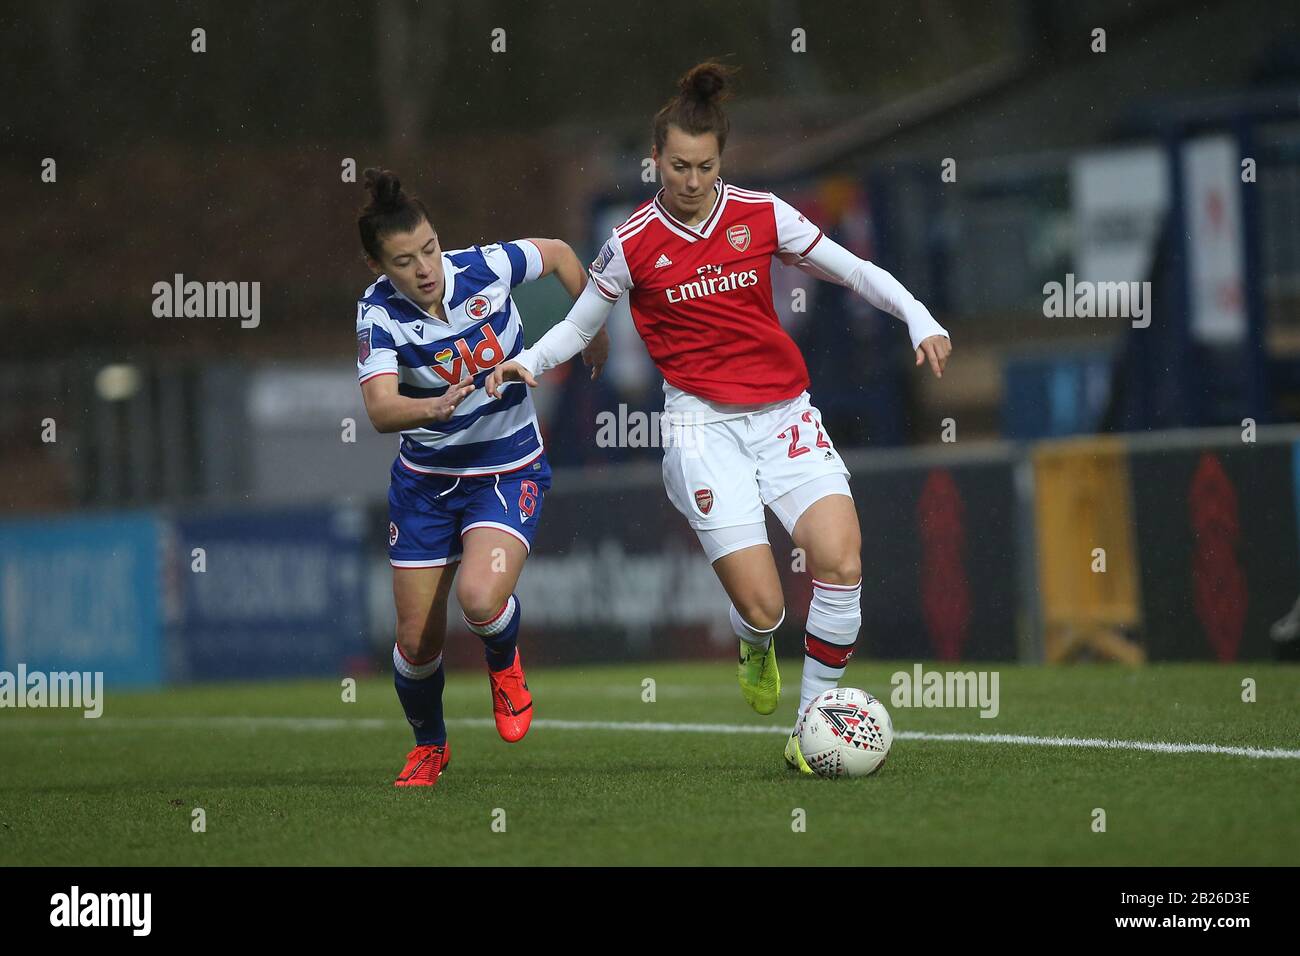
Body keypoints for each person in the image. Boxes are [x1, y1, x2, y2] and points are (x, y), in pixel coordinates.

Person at [485, 63, 951, 773]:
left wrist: (918, 317)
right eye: (678, 165)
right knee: (765, 607)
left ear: (721, 161)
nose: (692, 179)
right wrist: (528, 360)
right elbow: (582, 325)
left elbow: (853, 269)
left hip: (785, 415)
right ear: (656, 160)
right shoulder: (633, 242)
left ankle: (808, 733)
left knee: (842, 560)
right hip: (702, 427)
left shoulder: (762, 215)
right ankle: (754, 641)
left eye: (705, 166)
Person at [354, 168, 607, 787]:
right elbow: (382, 409)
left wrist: (589, 329)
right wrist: (431, 408)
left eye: (430, 249)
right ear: (379, 266)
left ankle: (503, 660)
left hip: (507, 464)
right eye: (405, 260)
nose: (425, 269)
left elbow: (561, 255)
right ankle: (430, 745)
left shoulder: (484, 266)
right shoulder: (377, 314)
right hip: (425, 485)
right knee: (415, 641)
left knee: (480, 598)